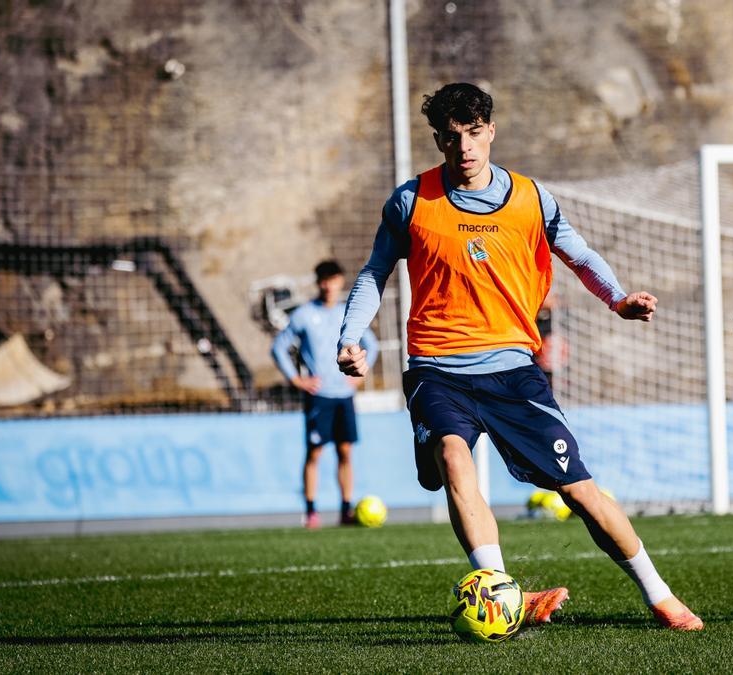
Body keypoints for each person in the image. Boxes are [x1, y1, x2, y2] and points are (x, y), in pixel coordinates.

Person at [337, 83, 702, 630]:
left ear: (491, 131)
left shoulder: (532, 198)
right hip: (437, 369)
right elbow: (374, 273)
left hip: (513, 371)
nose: (465, 147)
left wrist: (618, 298)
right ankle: (504, 597)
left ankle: (660, 594)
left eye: (476, 133)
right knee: (456, 460)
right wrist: (351, 335)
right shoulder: (411, 201)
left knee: (580, 490)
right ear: (439, 139)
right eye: (454, 136)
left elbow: (579, 255)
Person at [272, 260, 379, 528]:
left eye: (333, 280)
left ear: (340, 282)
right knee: (315, 452)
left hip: (344, 394)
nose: (329, 286)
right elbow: (279, 347)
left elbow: (372, 345)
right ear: (318, 283)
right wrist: (297, 379)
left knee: (345, 452)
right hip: (319, 395)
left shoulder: (348, 313)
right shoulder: (304, 314)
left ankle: (345, 509)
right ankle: (311, 511)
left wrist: (361, 375)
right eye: (324, 280)